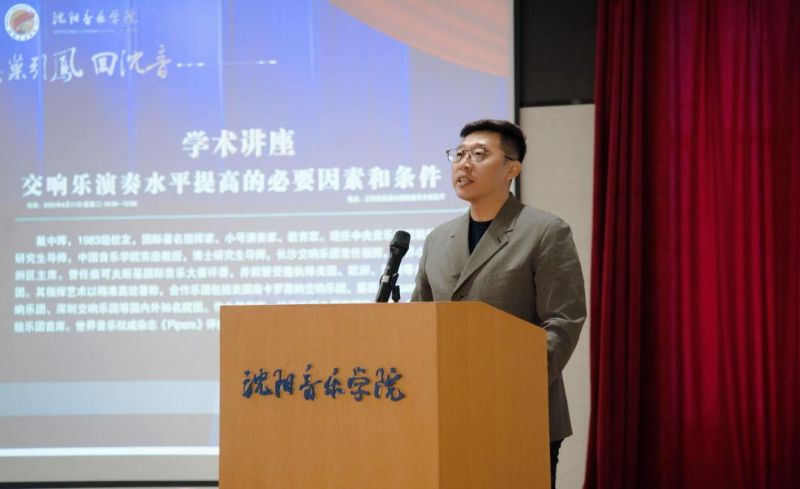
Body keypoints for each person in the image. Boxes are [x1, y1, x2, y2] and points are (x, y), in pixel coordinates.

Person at [411, 119, 586, 488]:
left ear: (511, 169)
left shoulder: (544, 231)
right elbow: (418, 323)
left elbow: (563, 320)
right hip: (447, 415)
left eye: (479, 154)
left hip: (519, 413)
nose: (464, 163)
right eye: (459, 154)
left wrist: (512, 383)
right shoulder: (438, 240)